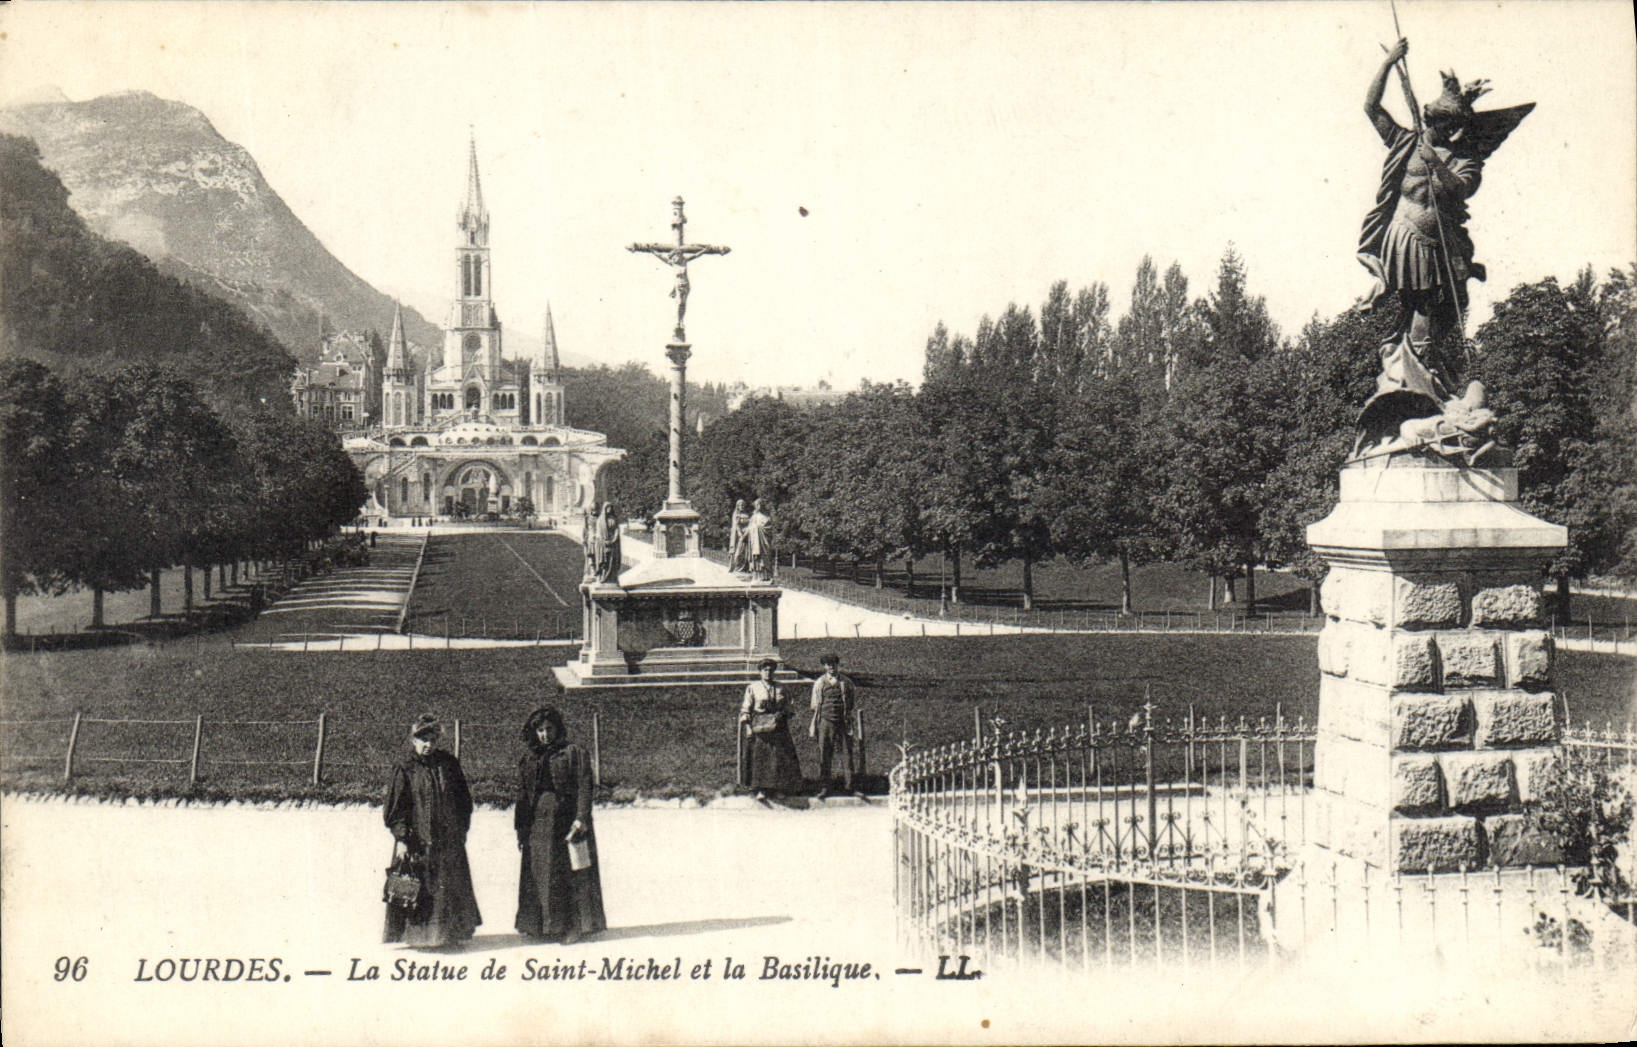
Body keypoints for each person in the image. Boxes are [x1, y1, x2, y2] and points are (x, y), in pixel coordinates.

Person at [1356, 37, 1532, 445]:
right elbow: (1371, 107)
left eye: (1445, 125)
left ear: (1455, 127)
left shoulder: (1464, 158)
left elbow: (1461, 190)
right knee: (1422, 309)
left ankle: (1428, 382)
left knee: (1440, 316)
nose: (1438, 127)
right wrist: (1387, 62)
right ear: (1429, 117)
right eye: (1433, 120)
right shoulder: (1405, 142)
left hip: (1441, 248)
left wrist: (1437, 161)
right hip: (1406, 238)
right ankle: (1415, 383)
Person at [382, 715, 482, 948]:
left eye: (432, 739)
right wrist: (402, 838)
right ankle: (420, 937)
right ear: (413, 740)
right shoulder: (405, 768)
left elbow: (463, 800)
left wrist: (461, 829)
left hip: (448, 839)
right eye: (422, 739)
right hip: (419, 839)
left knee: (448, 887)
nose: (428, 745)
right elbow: (396, 808)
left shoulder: (448, 764)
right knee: (422, 886)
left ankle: (449, 935)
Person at [514, 706, 606, 944]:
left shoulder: (574, 753)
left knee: (568, 874)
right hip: (538, 826)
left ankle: (571, 927)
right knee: (541, 875)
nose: (545, 734)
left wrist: (581, 818)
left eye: (549, 729)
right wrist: (521, 828)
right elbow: (523, 796)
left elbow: (584, 786)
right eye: (540, 730)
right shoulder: (529, 758)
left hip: (565, 822)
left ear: (558, 729)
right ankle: (541, 926)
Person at [738, 658, 803, 803]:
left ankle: (779, 788)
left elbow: (790, 707)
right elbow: (746, 709)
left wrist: (783, 714)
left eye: (770, 670)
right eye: (764, 670)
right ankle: (761, 789)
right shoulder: (753, 688)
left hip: (779, 728)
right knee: (761, 758)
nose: (767, 673)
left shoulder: (781, 688)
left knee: (779, 757)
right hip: (760, 727)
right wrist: (748, 728)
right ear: (760, 672)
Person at [808, 653, 863, 799]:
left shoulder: (846, 682)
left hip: (843, 721)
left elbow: (850, 701)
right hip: (825, 721)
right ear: (824, 666)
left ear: (837, 665)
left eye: (833, 664)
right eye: (828, 664)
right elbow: (815, 705)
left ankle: (850, 786)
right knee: (825, 754)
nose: (831, 667)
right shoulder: (819, 683)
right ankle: (824, 787)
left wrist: (845, 714)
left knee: (847, 753)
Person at [589, 502, 622, 584]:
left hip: (612, 543)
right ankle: (603, 577)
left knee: (612, 561)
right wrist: (604, 541)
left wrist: (613, 540)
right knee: (604, 561)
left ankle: (612, 579)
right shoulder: (600, 520)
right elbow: (599, 533)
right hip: (603, 544)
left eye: (610, 508)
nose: (609, 509)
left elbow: (617, 530)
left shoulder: (614, 519)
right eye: (607, 508)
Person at [745, 499, 774, 581]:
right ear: (755, 506)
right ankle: (756, 576)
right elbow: (749, 529)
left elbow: (768, 529)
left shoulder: (766, 518)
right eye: (757, 504)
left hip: (763, 543)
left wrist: (757, 528)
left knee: (765, 558)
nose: (759, 506)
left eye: (760, 504)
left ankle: (766, 576)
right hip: (755, 543)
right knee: (756, 560)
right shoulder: (753, 518)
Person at [727, 499, 751, 573]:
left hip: (747, 535)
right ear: (737, 506)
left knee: (746, 552)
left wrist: (746, 532)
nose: (742, 506)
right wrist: (740, 534)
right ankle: (737, 568)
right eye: (740, 505)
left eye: (743, 505)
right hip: (738, 537)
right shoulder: (736, 514)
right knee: (738, 553)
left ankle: (745, 568)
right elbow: (736, 525)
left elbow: (750, 524)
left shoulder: (747, 515)